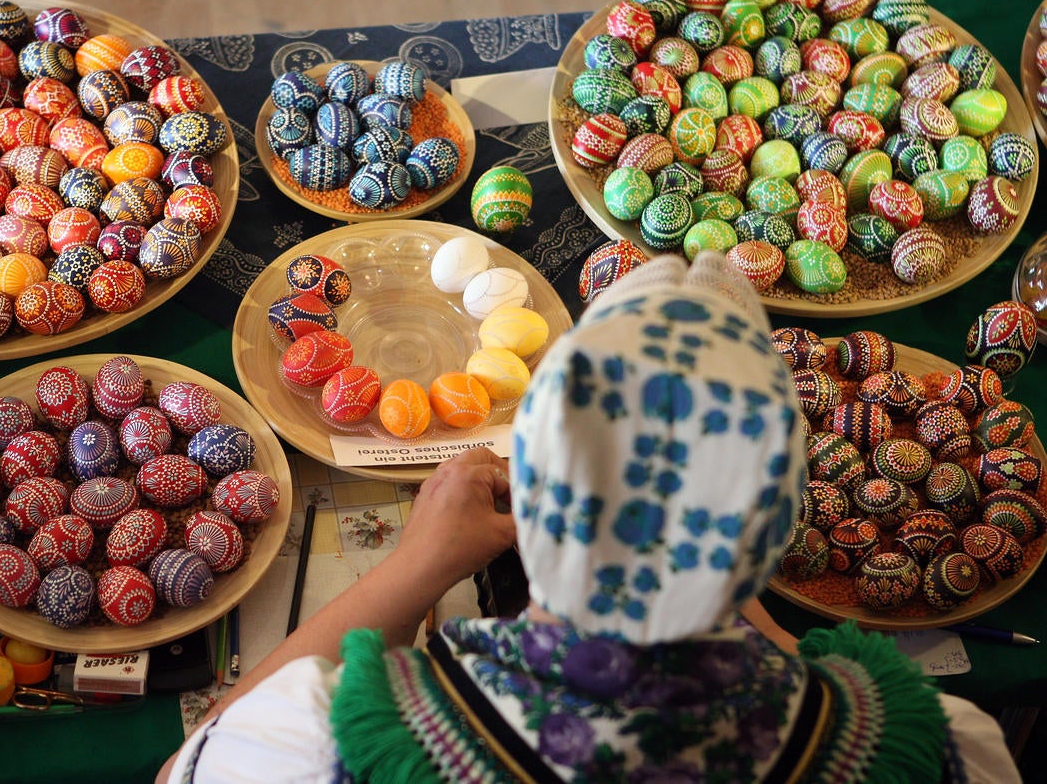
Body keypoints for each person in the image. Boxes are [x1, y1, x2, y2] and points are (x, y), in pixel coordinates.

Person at [159, 252, 1019, 783]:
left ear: (527, 486)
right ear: (765, 531)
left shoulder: (344, 739)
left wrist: (413, 564)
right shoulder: (916, 744)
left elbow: (183, 771)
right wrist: (706, 566)